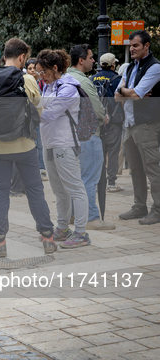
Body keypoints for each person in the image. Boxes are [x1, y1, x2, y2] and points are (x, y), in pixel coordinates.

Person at [0, 38, 55, 256]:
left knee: (0, 195)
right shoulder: (27, 79)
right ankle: (47, 238)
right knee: (36, 191)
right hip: (26, 146)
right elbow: (39, 109)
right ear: (21, 57)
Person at [36, 49, 90, 248]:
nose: (41, 76)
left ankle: (81, 233)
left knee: (75, 188)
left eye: (43, 72)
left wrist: (27, 110)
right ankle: (62, 228)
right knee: (59, 191)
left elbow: (48, 113)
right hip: (49, 144)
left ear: (55, 68)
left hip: (65, 145)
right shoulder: (49, 86)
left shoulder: (68, 88)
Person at [67, 44, 115, 231]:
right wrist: (104, 116)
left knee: (77, 178)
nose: (94, 60)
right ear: (81, 60)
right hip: (89, 135)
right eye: (91, 57)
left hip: (72, 135)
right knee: (89, 178)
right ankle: (91, 217)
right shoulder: (84, 82)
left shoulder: (66, 77)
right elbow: (96, 109)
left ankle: (74, 213)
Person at [115, 30, 160, 225]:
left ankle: (157, 209)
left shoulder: (155, 67)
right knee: (135, 169)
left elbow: (136, 95)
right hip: (129, 124)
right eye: (130, 45)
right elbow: (118, 96)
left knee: (152, 169)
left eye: (136, 46)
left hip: (147, 125)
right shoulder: (129, 68)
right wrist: (127, 91)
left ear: (146, 46)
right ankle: (139, 207)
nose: (131, 49)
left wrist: (126, 91)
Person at [90, 53, 125, 193]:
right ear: (113, 65)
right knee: (113, 150)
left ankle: (99, 181)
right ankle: (111, 182)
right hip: (114, 119)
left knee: (100, 150)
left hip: (97, 120)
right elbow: (121, 100)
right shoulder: (117, 79)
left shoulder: (91, 79)